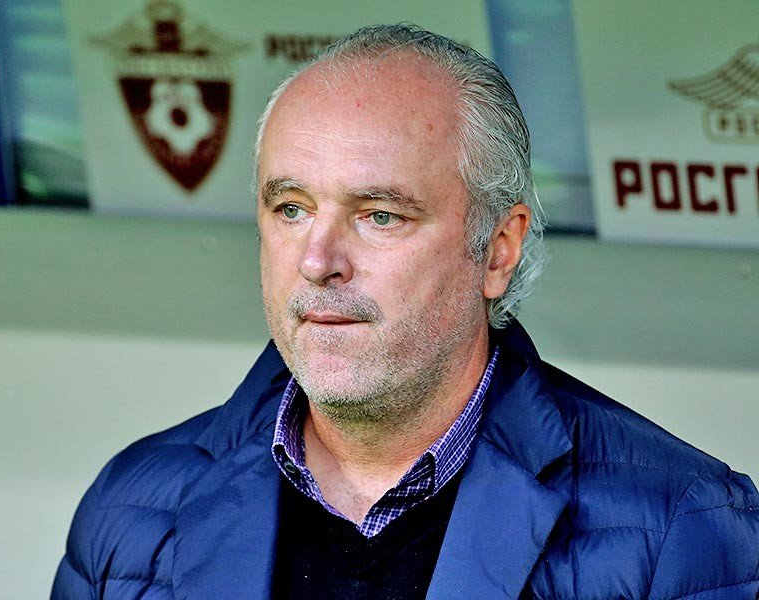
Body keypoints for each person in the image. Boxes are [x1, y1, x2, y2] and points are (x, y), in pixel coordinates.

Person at [52, 24, 759, 600]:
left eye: (380, 215)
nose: (318, 260)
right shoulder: (130, 510)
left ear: (498, 249)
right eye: (291, 209)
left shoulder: (682, 526)